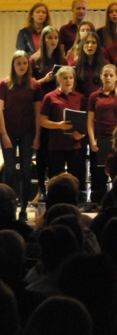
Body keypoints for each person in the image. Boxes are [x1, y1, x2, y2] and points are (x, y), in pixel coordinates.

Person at [0, 51, 42, 220]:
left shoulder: (34, 85)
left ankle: (23, 209)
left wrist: (38, 136)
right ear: (13, 65)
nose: (22, 66)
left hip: (28, 133)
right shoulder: (4, 84)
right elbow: (0, 111)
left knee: (26, 171)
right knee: (9, 171)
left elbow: (38, 113)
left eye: (25, 63)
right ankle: (6, 208)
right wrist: (3, 134)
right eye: (18, 63)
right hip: (8, 132)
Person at [87, 64, 117, 204]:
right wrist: (92, 140)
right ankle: (100, 204)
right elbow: (90, 121)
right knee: (99, 176)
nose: (108, 78)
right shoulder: (94, 96)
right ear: (101, 76)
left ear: (116, 77)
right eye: (105, 75)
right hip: (100, 140)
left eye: (111, 75)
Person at [30, 25, 66, 195]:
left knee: (55, 150)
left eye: (55, 38)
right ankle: (41, 187)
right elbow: (29, 85)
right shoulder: (35, 59)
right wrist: (44, 80)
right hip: (40, 106)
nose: (53, 41)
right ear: (43, 39)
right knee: (42, 149)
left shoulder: (61, 59)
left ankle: (54, 185)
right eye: (49, 37)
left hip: (57, 106)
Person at [39, 66, 86, 189]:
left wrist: (82, 134)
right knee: (56, 179)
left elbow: (86, 120)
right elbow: (42, 121)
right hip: (56, 144)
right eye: (65, 78)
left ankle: (75, 198)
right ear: (59, 79)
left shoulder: (80, 97)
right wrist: (58, 125)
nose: (68, 80)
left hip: (75, 144)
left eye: (71, 78)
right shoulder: (50, 97)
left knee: (75, 178)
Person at [73, 32, 105, 106]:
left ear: (98, 46)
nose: (90, 45)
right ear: (82, 45)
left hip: (99, 102)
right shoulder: (75, 65)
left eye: (93, 43)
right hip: (81, 102)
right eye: (87, 42)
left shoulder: (105, 64)